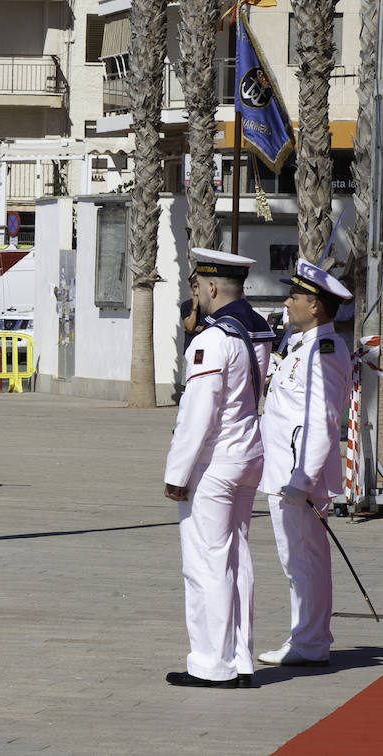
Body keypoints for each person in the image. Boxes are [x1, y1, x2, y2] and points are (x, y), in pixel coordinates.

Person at [162, 249, 273, 688]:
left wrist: (177, 474)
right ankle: (240, 659)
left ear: (210, 287)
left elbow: (199, 412)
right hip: (247, 454)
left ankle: (212, 664)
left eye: (197, 289)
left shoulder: (212, 339)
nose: (196, 297)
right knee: (236, 560)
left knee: (206, 564)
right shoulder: (256, 331)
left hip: (215, 462)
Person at [256, 259, 353, 668]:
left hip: (298, 477)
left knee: (303, 561)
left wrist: (301, 480)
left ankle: (310, 642)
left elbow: (324, 420)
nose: (287, 302)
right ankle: (309, 636)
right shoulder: (305, 345)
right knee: (300, 560)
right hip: (288, 471)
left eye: (294, 296)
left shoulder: (323, 352)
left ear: (315, 306)